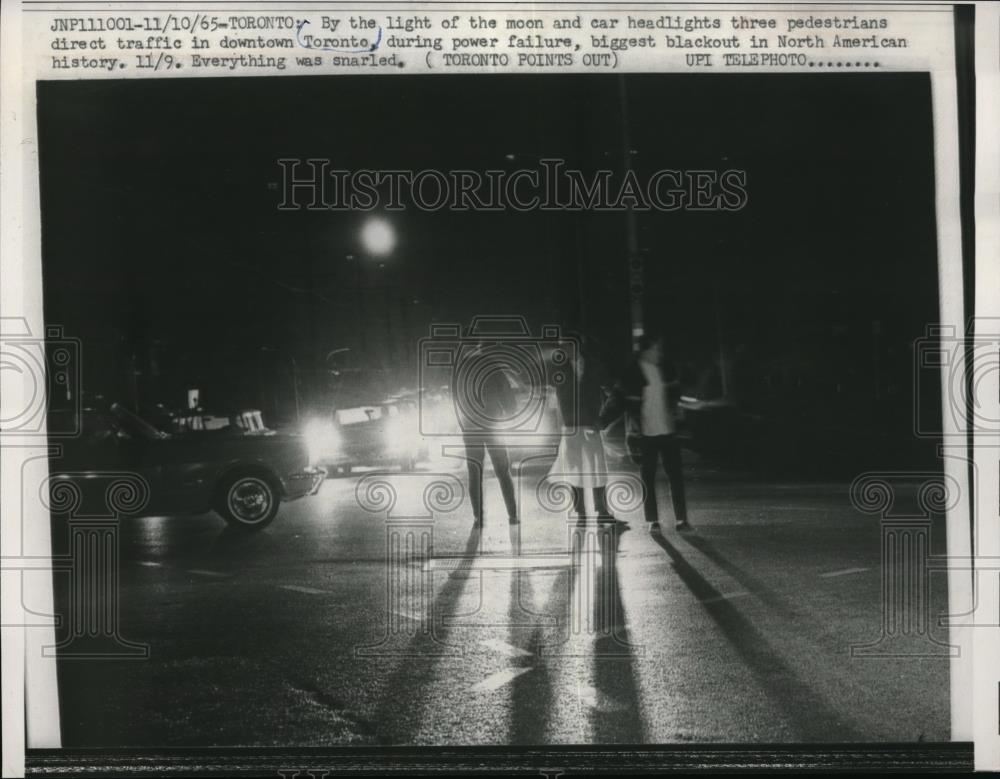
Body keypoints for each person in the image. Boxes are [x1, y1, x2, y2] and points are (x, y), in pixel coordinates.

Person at [623, 334, 690, 531]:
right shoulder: (634, 371)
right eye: (655, 349)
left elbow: (675, 392)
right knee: (648, 478)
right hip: (646, 433)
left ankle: (681, 519)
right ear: (645, 351)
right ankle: (652, 520)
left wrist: (676, 411)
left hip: (667, 430)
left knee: (675, 475)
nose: (658, 353)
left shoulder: (666, 368)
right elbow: (627, 402)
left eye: (659, 349)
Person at [549, 338, 616, 524]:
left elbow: (610, 389)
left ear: (577, 346)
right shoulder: (559, 367)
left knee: (597, 468)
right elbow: (552, 383)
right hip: (570, 425)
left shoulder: (594, 365)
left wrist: (603, 416)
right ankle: (581, 512)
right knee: (574, 470)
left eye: (567, 345)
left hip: (590, 423)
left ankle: (601, 509)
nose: (563, 349)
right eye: (561, 346)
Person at [455, 345, 519, 527]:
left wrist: (463, 425)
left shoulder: (460, 369)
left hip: (470, 428)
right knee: (502, 471)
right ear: (479, 345)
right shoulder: (491, 365)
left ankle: (478, 518)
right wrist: (509, 412)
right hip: (492, 424)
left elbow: (456, 400)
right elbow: (506, 392)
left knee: (474, 472)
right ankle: (512, 515)